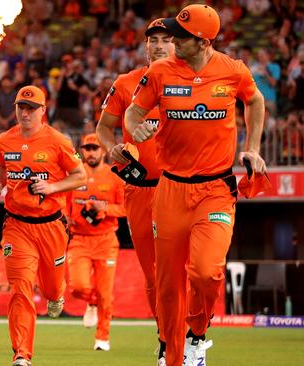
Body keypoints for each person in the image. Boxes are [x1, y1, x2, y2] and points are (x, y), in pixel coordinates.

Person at [124, 5, 266, 366]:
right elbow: (133, 112)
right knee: (168, 285)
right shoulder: (159, 72)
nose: (173, 40)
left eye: (180, 36)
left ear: (202, 41)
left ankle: (197, 335)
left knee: (206, 271)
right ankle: (172, 357)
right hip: (170, 190)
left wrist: (253, 148)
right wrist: (136, 126)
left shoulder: (233, 71)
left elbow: (255, 99)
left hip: (216, 188)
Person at [96, 18, 174, 363]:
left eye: (165, 39)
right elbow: (103, 129)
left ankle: (192, 332)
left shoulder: (191, 82)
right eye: (152, 40)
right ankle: (166, 337)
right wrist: (111, 149)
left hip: (181, 187)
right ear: (144, 46)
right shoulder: (126, 83)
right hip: (139, 188)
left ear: (178, 44)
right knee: (153, 274)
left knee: (190, 267)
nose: (158, 45)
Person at [0, 85, 86, 366]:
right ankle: (22, 354)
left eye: (31, 108)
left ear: (43, 111)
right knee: (20, 289)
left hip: (51, 226)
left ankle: (56, 295)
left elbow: (80, 176)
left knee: (51, 289)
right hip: (17, 225)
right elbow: (0, 168)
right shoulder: (5, 139)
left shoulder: (58, 140)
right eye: (21, 107)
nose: (25, 113)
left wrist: (54, 186)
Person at [66, 134, 125, 352]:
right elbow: (64, 201)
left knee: (106, 294)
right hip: (79, 239)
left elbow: (126, 207)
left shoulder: (114, 176)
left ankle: (102, 338)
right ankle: (91, 301)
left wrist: (105, 209)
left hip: (106, 240)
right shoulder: (74, 173)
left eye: (95, 148)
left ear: (103, 151)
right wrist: (66, 215)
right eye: (87, 148)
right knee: (77, 287)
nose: (90, 152)